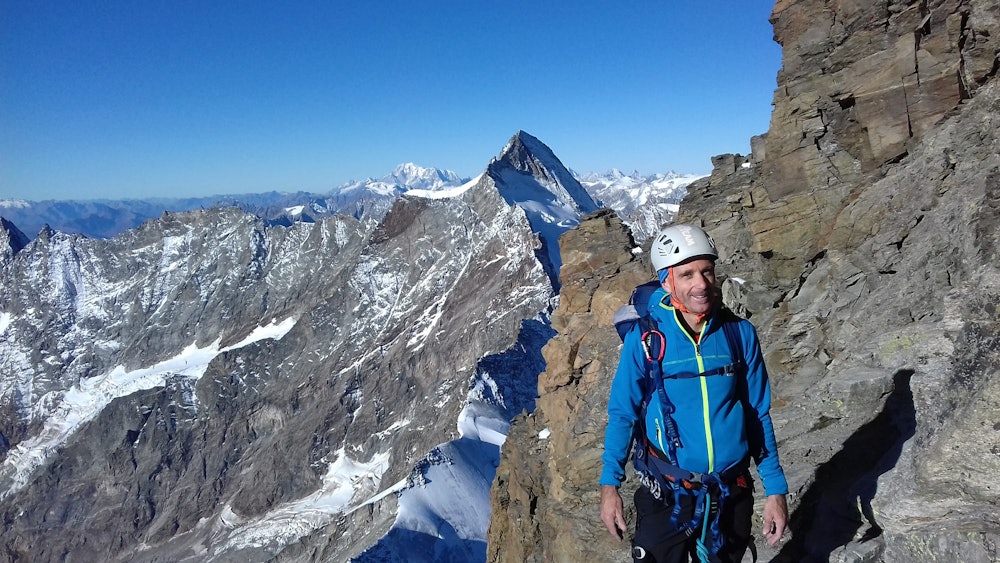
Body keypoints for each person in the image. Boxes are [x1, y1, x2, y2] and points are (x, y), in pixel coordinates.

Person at [599, 224, 789, 563]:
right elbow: (623, 414)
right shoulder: (645, 341)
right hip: (668, 494)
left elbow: (758, 413)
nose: (700, 284)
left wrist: (775, 490)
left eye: (706, 271)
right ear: (667, 281)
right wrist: (609, 487)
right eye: (686, 274)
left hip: (731, 492)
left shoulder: (739, 334)